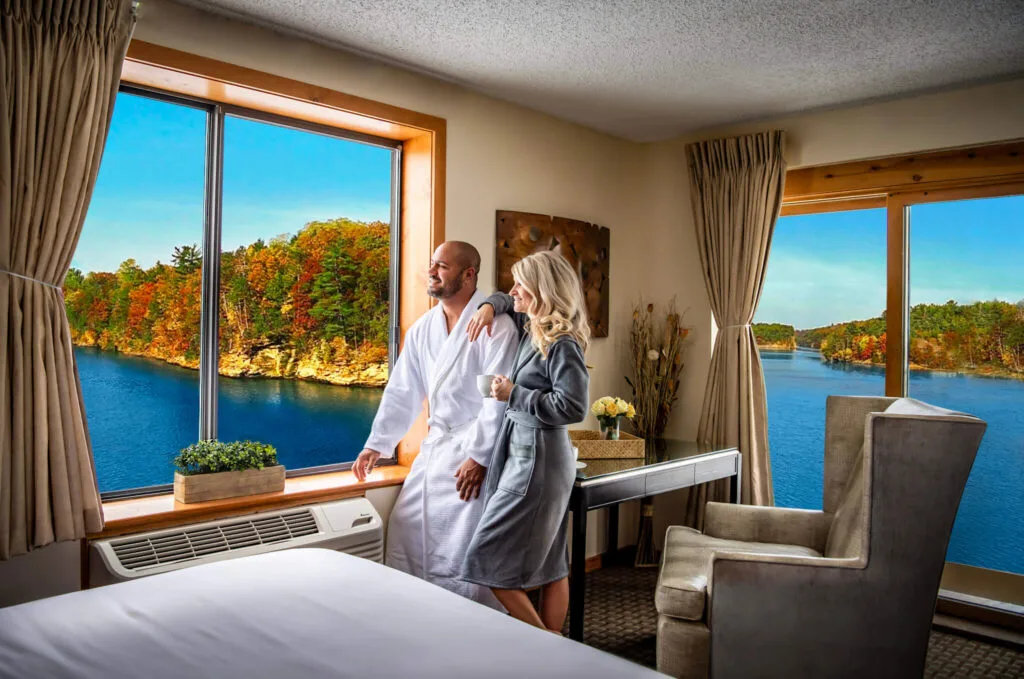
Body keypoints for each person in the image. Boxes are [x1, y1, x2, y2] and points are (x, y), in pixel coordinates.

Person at [352, 241, 518, 609]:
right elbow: (403, 389)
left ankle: (474, 628)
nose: (431, 272)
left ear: (469, 274)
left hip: (471, 455)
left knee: (464, 548)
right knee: (407, 532)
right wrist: (377, 445)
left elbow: (495, 398)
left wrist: (479, 457)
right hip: (435, 451)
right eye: (431, 265)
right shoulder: (424, 328)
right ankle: (415, 617)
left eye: (441, 266)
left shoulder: (497, 328)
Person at [460, 250, 591, 632]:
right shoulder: (532, 325)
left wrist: (513, 394)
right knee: (552, 564)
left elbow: (573, 406)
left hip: (538, 462)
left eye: (521, 285)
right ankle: (553, 654)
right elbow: (502, 297)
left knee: (484, 560)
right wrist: (487, 306)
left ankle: (544, 647)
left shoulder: (561, 342)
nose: (513, 290)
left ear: (541, 290)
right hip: (527, 454)